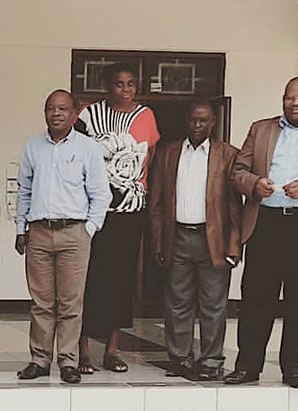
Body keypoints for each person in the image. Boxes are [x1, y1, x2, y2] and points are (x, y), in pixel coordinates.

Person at [224, 77, 298, 389]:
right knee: (256, 299)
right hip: (266, 221)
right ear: (283, 99)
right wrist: (254, 184)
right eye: (290, 98)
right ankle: (247, 367)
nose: (296, 103)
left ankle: (294, 369)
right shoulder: (261, 128)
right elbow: (238, 172)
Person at [15, 89, 112, 384]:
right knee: (41, 302)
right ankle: (39, 360)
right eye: (50, 109)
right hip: (39, 233)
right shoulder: (32, 147)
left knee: (71, 303)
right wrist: (21, 229)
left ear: (73, 113)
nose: (56, 113)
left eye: (62, 109)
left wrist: (89, 229)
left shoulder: (88, 148)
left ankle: (68, 361)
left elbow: (101, 194)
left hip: (74, 233)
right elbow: (24, 191)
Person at [147, 100, 241, 380]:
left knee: (214, 304)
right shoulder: (167, 153)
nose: (197, 125)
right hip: (177, 237)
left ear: (213, 122)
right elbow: (156, 204)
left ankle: (211, 360)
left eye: (203, 121)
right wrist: (157, 242)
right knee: (177, 302)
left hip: (213, 239)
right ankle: (180, 358)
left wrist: (234, 245)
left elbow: (235, 206)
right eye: (193, 120)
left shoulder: (227, 155)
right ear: (186, 120)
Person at [76, 62, 161, 374]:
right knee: (88, 278)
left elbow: (147, 159)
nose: (125, 90)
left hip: (130, 210)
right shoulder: (88, 115)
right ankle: (82, 350)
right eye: (119, 84)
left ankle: (112, 350)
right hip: (93, 211)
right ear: (107, 86)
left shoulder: (146, 116)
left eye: (130, 84)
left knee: (121, 280)